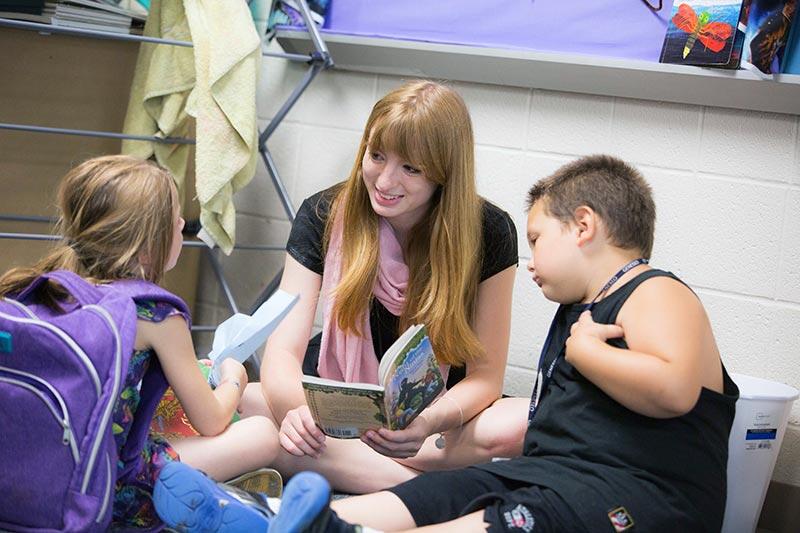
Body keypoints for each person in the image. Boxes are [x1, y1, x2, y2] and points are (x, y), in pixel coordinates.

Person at [153, 154, 741, 532]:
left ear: (584, 226)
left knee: (490, 517)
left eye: (538, 240)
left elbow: (674, 390)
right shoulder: (579, 314)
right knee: (442, 495)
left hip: (633, 498)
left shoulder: (654, 291)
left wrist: (587, 352)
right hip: (551, 475)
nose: (531, 262)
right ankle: (273, 521)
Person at [239, 80, 529, 493]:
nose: (385, 180)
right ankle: (427, 486)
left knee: (521, 421)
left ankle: (338, 464)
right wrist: (298, 412)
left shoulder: (490, 230)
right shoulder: (323, 213)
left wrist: (428, 421)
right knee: (249, 398)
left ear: (444, 175)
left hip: (435, 416)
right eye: (376, 156)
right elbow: (282, 352)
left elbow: (486, 379)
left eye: (411, 168)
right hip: (337, 402)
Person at [0, 155, 279, 529]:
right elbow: (211, 420)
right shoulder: (155, 313)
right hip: (111, 488)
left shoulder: (44, 285)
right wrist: (233, 377)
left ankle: (204, 490)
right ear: (149, 246)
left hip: (29, 476)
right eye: (176, 220)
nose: (183, 224)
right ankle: (203, 498)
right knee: (262, 432)